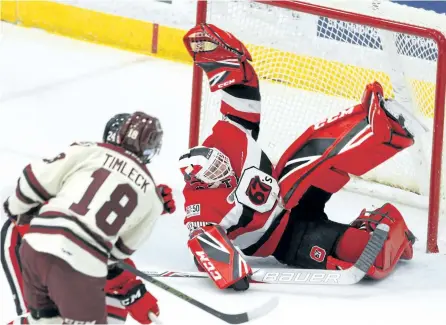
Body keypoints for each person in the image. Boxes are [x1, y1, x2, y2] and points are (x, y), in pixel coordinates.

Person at [178, 24, 416, 291]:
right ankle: (391, 226)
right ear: (200, 182)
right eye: (214, 173)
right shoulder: (200, 206)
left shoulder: (225, 141)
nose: (222, 168)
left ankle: (383, 126)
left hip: (291, 192)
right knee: (366, 252)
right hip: (288, 239)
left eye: (219, 164)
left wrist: (229, 61)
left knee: (314, 149)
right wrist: (229, 271)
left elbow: (241, 97)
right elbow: (201, 241)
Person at [2, 112, 176, 324]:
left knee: (73, 317)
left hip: (43, 248)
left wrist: (127, 286)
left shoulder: (88, 155)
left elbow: (33, 184)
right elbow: (102, 252)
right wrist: (127, 284)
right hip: (25, 239)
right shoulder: (141, 188)